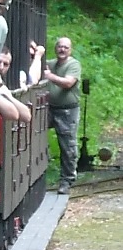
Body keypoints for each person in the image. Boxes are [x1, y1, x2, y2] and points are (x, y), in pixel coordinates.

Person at [43, 36, 81, 193]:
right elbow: (38, 64)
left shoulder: (74, 65)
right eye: (59, 46)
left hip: (68, 110)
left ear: (70, 50)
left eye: (65, 47)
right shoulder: (51, 64)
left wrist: (49, 76)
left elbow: (68, 83)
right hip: (49, 108)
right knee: (33, 135)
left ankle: (67, 180)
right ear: (55, 48)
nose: (62, 49)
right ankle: (41, 170)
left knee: (67, 146)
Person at [0, 47, 32, 124]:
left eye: (5, 64)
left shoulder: (2, 85)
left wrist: (8, 96)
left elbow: (27, 116)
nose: (1, 67)